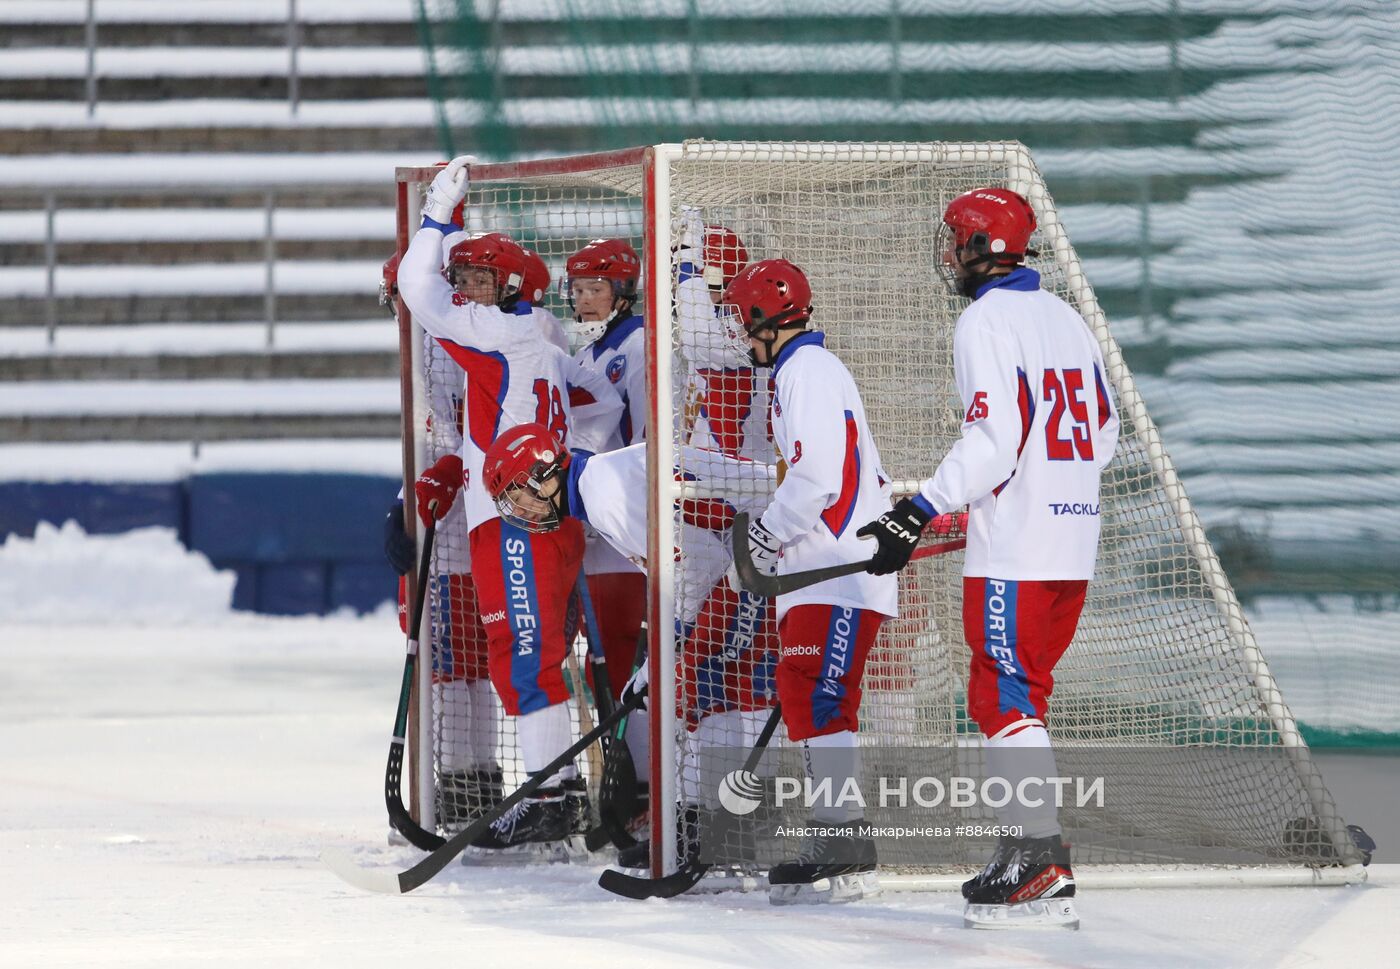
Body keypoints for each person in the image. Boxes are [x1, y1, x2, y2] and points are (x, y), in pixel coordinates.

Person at [857, 186, 1119, 930]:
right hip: (1072, 541)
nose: (948, 253)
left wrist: (919, 508)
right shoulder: (1066, 315)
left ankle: (1040, 855)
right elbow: (1100, 438)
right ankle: (1024, 849)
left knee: (1001, 698)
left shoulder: (985, 318)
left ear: (982, 247)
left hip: (1016, 547)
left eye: (955, 239)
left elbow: (995, 440)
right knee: (1023, 696)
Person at [397, 157, 625, 862]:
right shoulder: (543, 337)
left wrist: (437, 216)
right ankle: (556, 794)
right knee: (529, 657)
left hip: (519, 519)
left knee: (524, 660)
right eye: (461, 276)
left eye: (477, 279)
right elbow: (602, 404)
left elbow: (415, 286)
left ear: (511, 287)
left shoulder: (502, 333)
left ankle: (551, 798)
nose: (463, 289)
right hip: (542, 512)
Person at [479, 423, 779, 876]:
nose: (522, 510)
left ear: (544, 476)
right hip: (746, 551)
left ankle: (720, 831)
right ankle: (701, 828)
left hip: (767, 545)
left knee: (699, 688)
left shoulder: (604, 494)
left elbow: (698, 564)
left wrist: (670, 647)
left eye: (520, 495)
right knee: (698, 690)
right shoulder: (597, 487)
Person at [723, 257, 898, 905]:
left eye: (744, 319)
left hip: (837, 569)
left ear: (765, 316)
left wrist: (766, 534)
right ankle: (840, 833)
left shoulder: (806, 371)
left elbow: (819, 473)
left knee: (820, 698)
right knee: (806, 694)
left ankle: (841, 832)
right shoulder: (802, 372)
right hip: (820, 569)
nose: (743, 334)